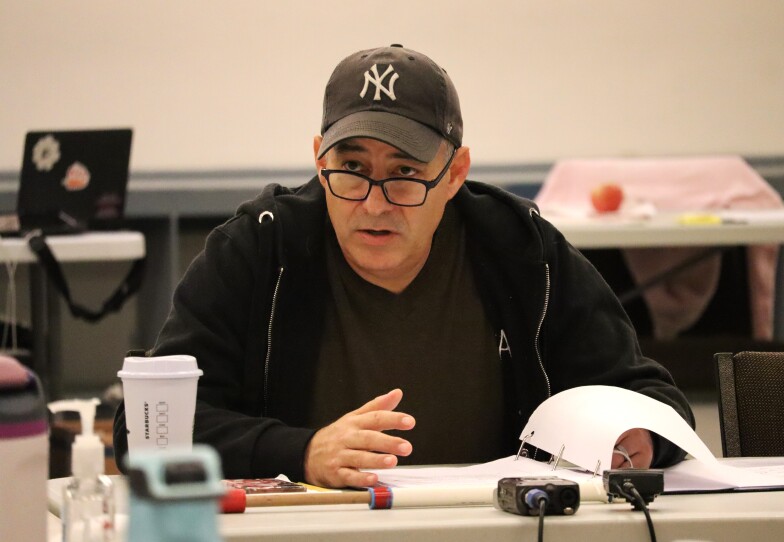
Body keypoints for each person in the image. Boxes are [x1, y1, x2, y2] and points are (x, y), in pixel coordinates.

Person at [114, 44, 694, 488]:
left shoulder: (520, 252)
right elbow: (143, 431)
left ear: (456, 172)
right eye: (352, 166)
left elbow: (652, 399)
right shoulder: (260, 251)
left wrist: (636, 437)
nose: (373, 201)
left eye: (405, 173)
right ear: (318, 160)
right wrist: (301, 451)